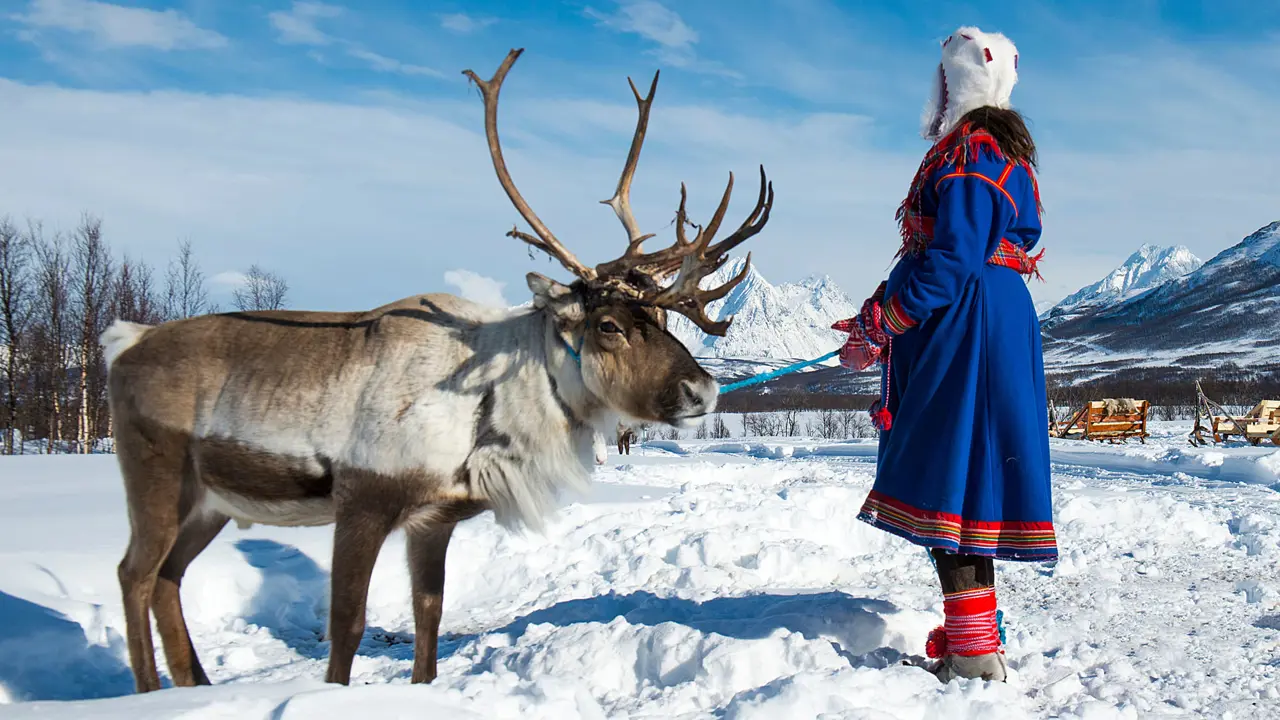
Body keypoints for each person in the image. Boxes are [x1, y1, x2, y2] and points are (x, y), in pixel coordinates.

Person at [833, 26, 1057, 683]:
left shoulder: (968, 157)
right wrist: (881, 311)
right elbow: (941, 257)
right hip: (985, 318)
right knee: (967, 485)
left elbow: (950, 260)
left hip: (966, 326)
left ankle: (975, 656)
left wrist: (884, 324)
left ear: (951, 87)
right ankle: (975, 640)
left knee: (952, 482)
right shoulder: (1001, 156)